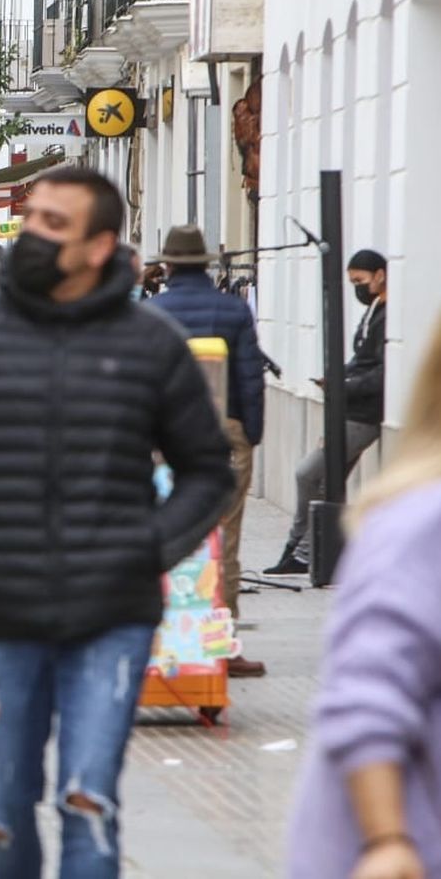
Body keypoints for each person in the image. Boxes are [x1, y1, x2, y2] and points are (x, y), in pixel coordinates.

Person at [0, 167, 233, 878]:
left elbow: (209, 471)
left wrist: (149, 548)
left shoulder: (150, 342)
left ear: (100, 245)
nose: (28, 234)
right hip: (2, 615)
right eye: (30, 217)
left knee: (88, 799)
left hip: (114, 616)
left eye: (52, 223)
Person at [285, 298, 441, 879]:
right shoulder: (428, 522)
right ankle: (298, 549)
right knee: (310, 476)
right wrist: (388, 839)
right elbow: (366, 695)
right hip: (409, 846)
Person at [146, 225, 268, 678]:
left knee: (171, 535)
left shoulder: (153, 312)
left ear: (168, 266)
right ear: (205, 265)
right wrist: (249, 433)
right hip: (226, 433)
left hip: (166, 441)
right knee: (225, 540)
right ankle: (223, 645)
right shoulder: (233, 310)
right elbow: (250, 377)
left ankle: (167, 642)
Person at [267, 248, 388, 577]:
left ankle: (301, 550)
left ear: (381, 274)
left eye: (361, 281)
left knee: (309, 474)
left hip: (363, 414)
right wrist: (337, 378)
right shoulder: (374, 310)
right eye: (352, 283)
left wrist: (342, 384)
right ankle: (308, 551)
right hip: (351, 409)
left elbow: (381, 371)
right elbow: (363, 361)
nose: (358, 288)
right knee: (327, 483)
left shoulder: (389, 316)